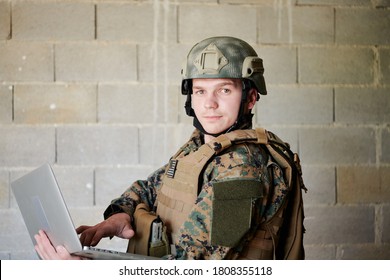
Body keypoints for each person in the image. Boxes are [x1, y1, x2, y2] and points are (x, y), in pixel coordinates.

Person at [34, 36, 304, 260]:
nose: (209, 103)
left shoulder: (244, 168)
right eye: (200, 91)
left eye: (224, 90)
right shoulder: (200, 147)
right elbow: (151, 187)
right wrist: (120, 215)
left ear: (250, 98)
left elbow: (192, 266)